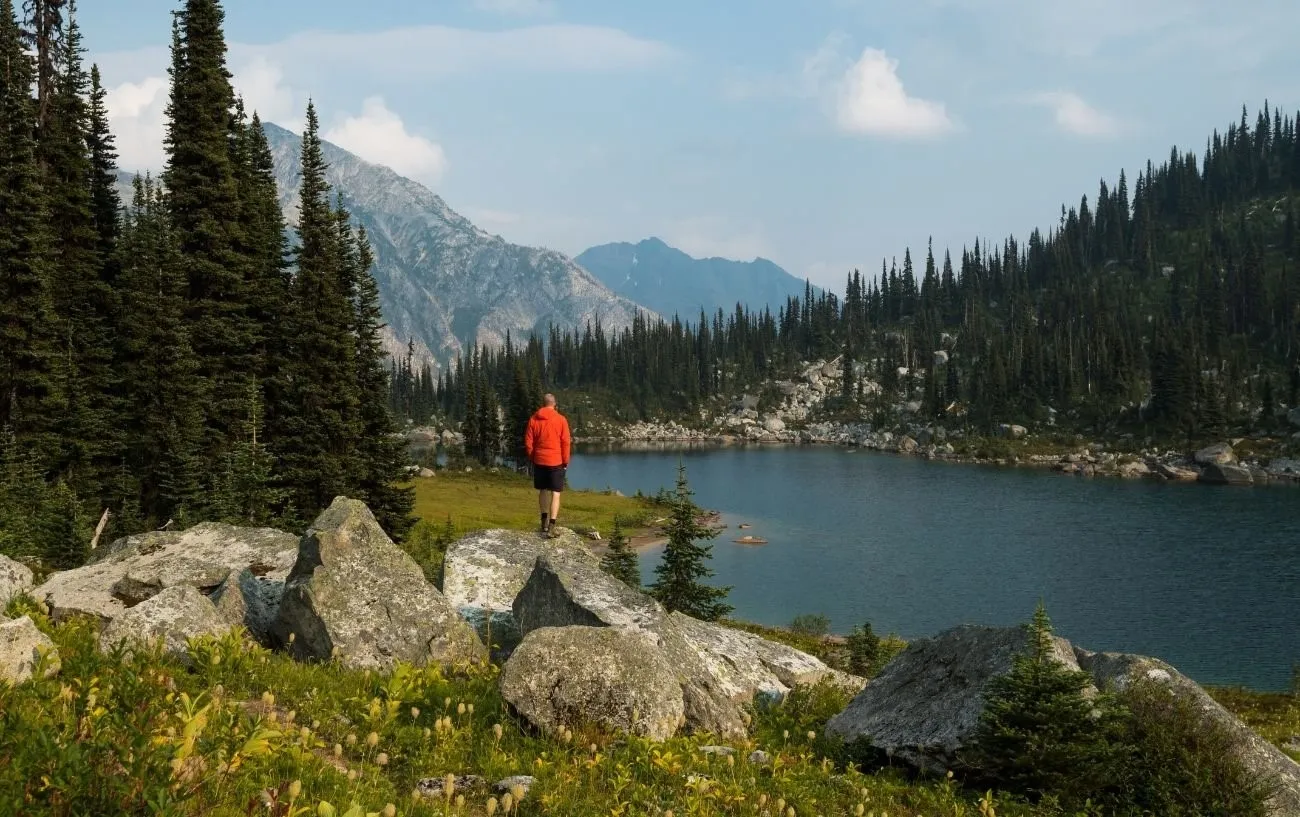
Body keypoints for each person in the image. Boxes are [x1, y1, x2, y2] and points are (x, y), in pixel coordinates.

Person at [524, 393, 572, 538]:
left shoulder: (533, 419)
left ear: (543, 404)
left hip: (540, 461)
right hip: (556, 461)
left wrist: (534, 457)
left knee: (543, 491)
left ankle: (543, 522)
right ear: (554, 404)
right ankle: (552, 526)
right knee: (556, 493)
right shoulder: (561, 420)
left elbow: (528, 442)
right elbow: (565, 442)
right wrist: (565, 461)